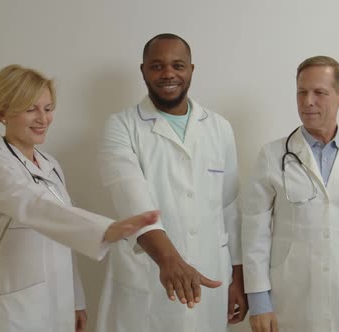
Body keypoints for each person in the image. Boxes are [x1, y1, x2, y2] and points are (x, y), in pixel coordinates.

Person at [0, 64, 159, 332]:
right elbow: (35, 206)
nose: (43, 118)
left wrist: (77, 300)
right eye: (31, 109)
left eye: (48, 109)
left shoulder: (51, 164)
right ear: (2, 112)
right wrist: (105, 229)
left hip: (58, 301)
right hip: (15, 306)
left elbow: (64, 234)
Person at [96, 33, 247, 332]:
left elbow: (229, 208)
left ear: (192, 69)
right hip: (146, 277)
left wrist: (237, 279)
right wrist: (169, 260)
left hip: (210, 275)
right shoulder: (122, 126)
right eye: (157, 66)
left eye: (178, 65)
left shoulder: (219, 128)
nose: (168, 74)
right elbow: (132, 199)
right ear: (143, 71)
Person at [242, 56, 339, 332]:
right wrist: (258, 302)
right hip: (289, 301)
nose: (308, 101)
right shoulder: (272, 155)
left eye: (319, 93)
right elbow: (254, 234)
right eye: (301, 92)